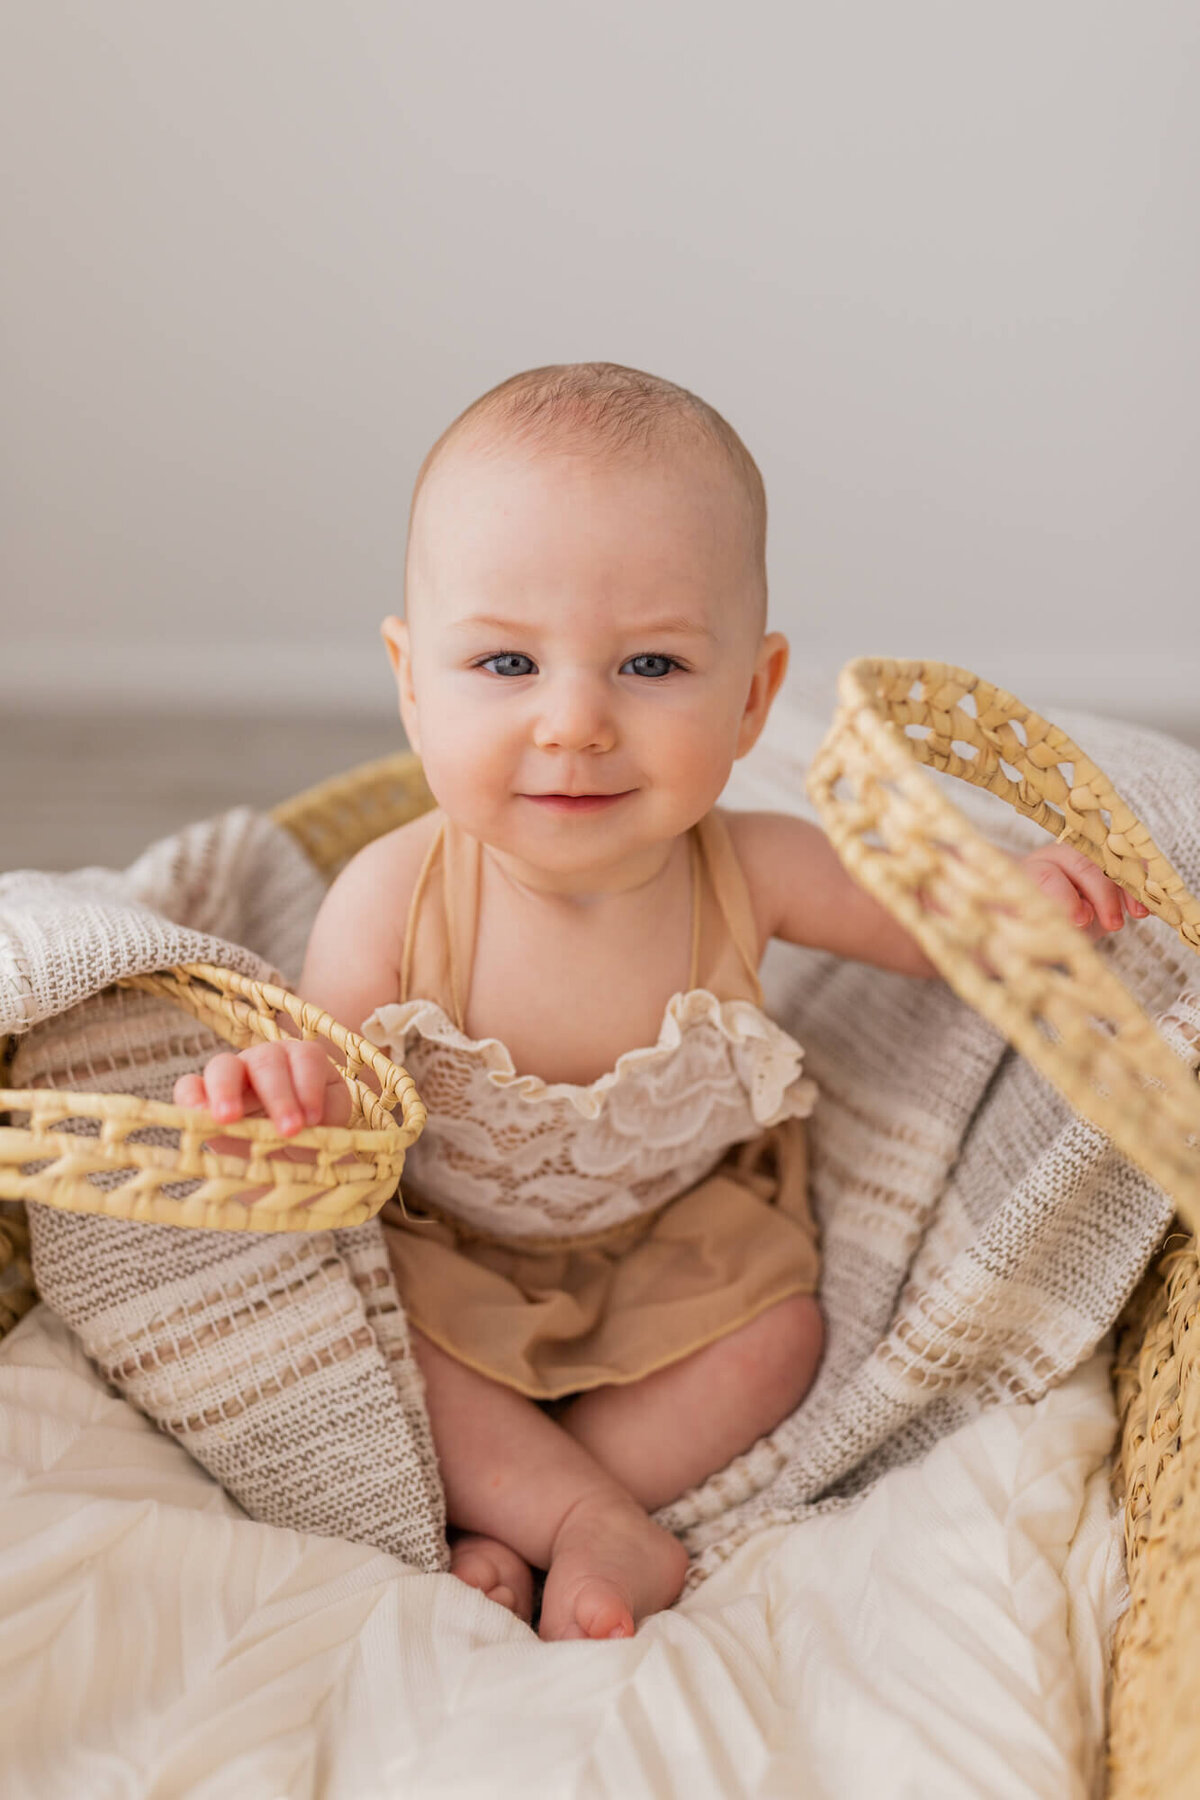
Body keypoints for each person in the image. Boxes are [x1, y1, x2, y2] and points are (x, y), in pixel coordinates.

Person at [174, 362, 1146, 1642]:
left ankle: (557, 1508)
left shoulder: (750, 868)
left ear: (751, 695)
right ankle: (580, 1518)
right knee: (368, 1329)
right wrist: (287, 1092)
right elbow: (337, 1098)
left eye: (649, 663)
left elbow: (923, 926)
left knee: (779, 1344)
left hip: (681, 1248)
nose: (574, 722)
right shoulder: (392, 897)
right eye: (508, 660)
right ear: (413, 682)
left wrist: (1006, 899)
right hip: (452, 1255)